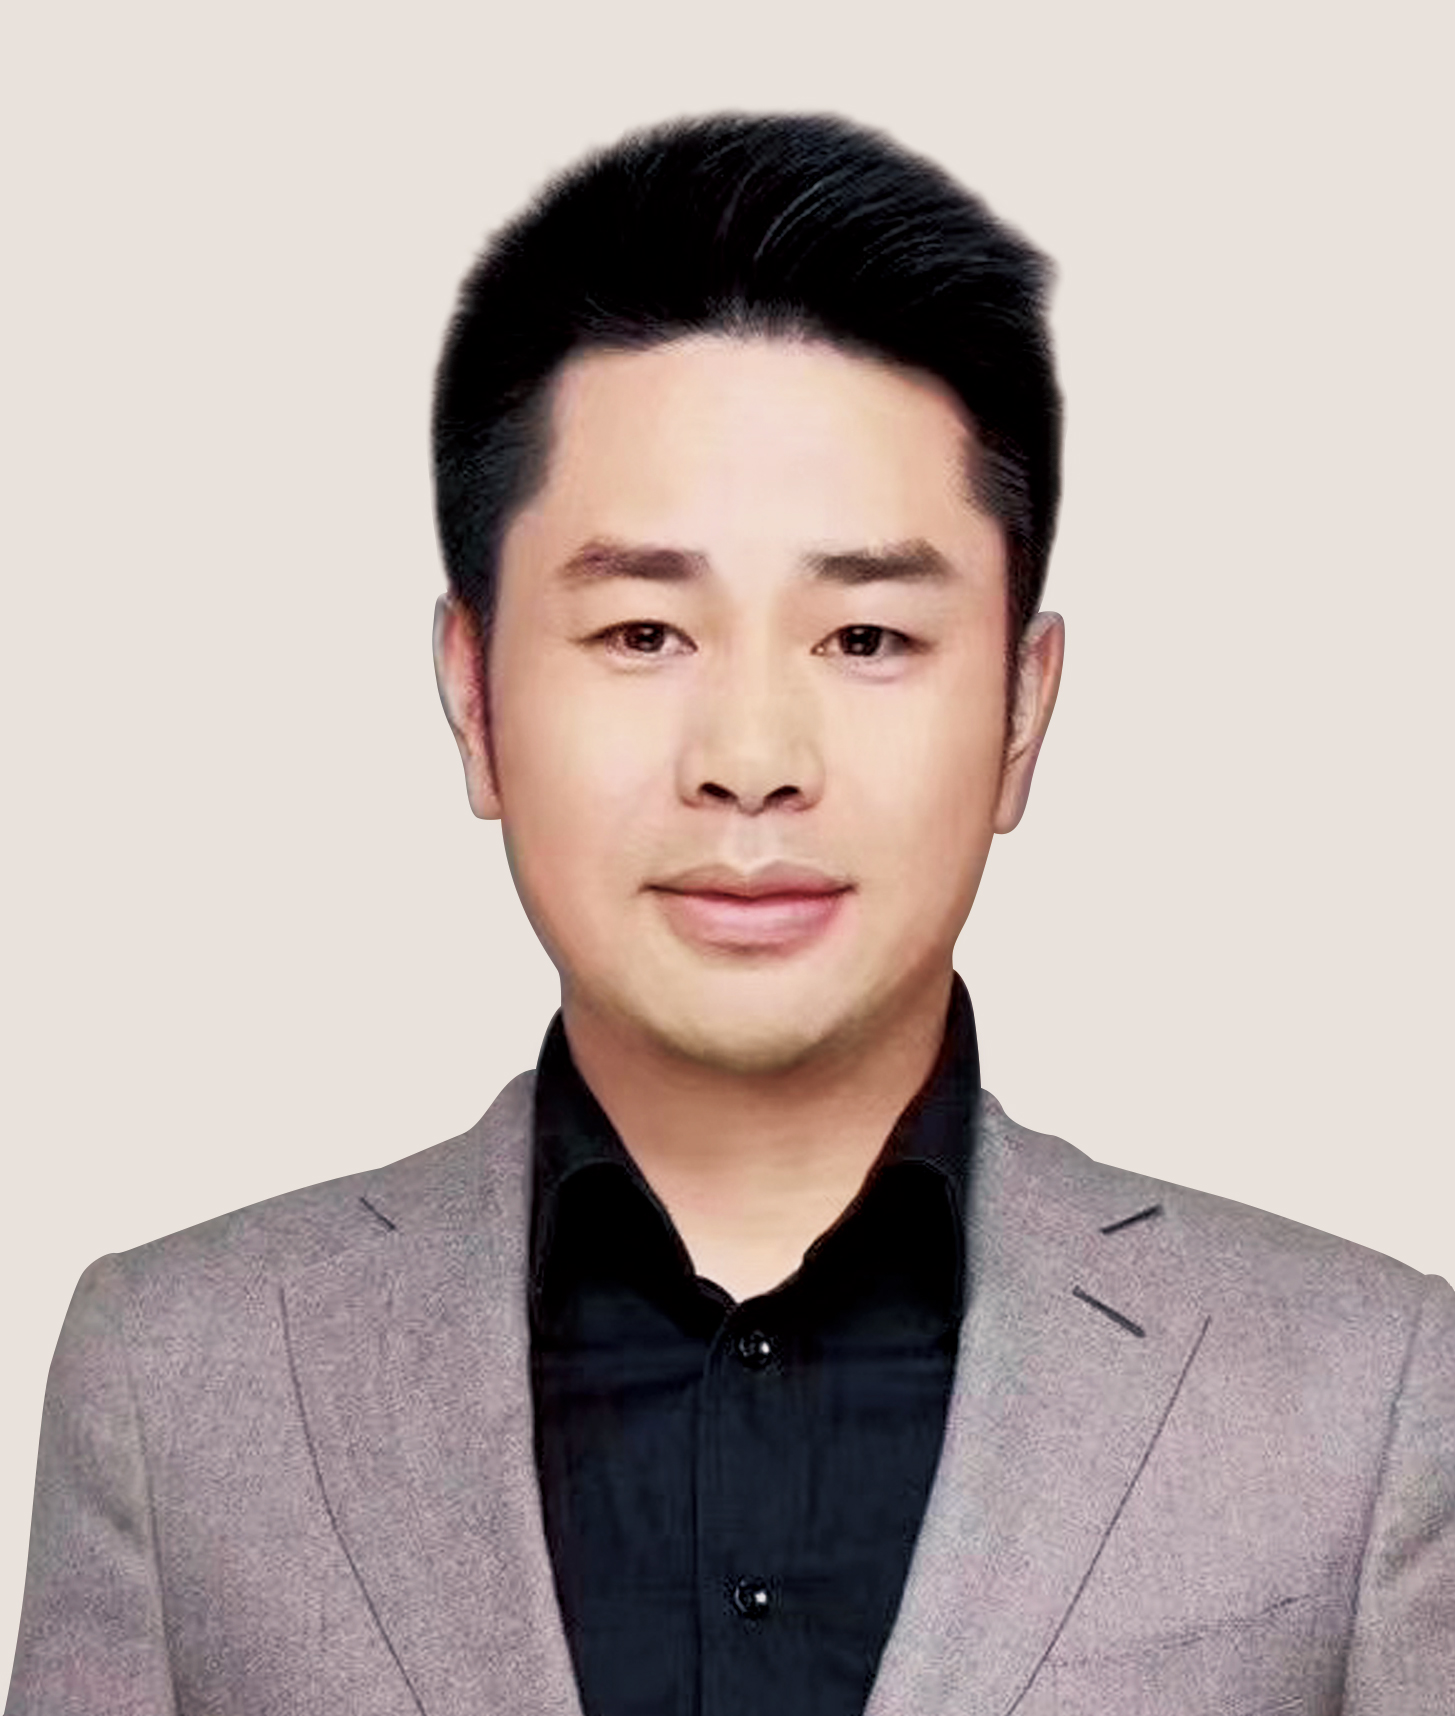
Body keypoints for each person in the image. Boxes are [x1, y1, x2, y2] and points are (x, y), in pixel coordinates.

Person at [6, 111, 1452, 1716]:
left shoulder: (1363, 1395)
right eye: (642, 633)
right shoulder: (178, 1381)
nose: (752, 760)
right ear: (475, 698)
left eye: (867, 638)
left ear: (1021, 711)